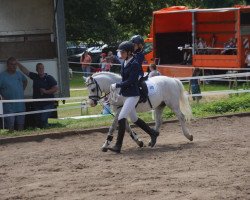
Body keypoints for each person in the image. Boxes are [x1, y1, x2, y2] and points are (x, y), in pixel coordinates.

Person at [108, 41, 159, 153]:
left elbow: (131, 81)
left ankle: (118, 145)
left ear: (129, 52)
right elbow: (123, 79)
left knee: (121, 117)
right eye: (120, 52)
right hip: (126, 94)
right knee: (134, 119)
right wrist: (118, 91)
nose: (120, 54)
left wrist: (117, 85)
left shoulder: (134, 64)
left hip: (133, 95)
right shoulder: (124, 63)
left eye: (122, 52)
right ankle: (153, 133)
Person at [17, 62, 58, 128]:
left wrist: (46, 91)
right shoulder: (35, 76)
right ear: (36, 70)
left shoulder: (49, 78)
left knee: (43, 119)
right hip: (37, 104)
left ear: (44, 69)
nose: (41, 70)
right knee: (38, 120)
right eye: (39, 68)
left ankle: (49, 129)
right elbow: (25, 71)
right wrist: (18, 63)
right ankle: (45, 130)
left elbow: (56, 88)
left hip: (48, 103)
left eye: (42, 68)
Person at [0, 57, 27, 131]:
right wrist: (1, 97)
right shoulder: (2, 76)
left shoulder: (19, 74)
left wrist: (22, 90)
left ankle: (20, 141)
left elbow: (25, 81)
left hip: (20, 105)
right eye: (12, 64)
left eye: (15, 64)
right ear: (7, 65)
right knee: (10, 126)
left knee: (21, 125)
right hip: (8, 106)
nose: (14, 66)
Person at [130, 35, 148, 103]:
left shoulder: (141, 54)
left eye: (134, 45)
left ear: (139, 45)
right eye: (132, 45)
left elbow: (137, 63)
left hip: (138, 73)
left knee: (137, 81)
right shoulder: (132, 53)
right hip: (131, 72)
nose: (133, 47)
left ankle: (144, 96)